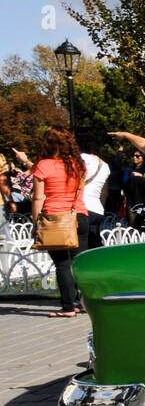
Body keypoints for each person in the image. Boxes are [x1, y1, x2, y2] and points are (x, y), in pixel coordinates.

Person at [28, 127, 88, 316]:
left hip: (55, 219)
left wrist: (36, 221)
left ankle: (69, 307)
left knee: (63, 264)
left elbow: (38, 198)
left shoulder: (43, 165)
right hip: (79, 215)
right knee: (80, 263)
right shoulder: (78, 164)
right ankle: (85, 302)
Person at [80, 138, 110, 248]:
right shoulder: (105, 165)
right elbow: (104, 193)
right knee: (93, 243)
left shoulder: (80, 159)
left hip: (81, 207)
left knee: (80, 246)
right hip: (97, 209)